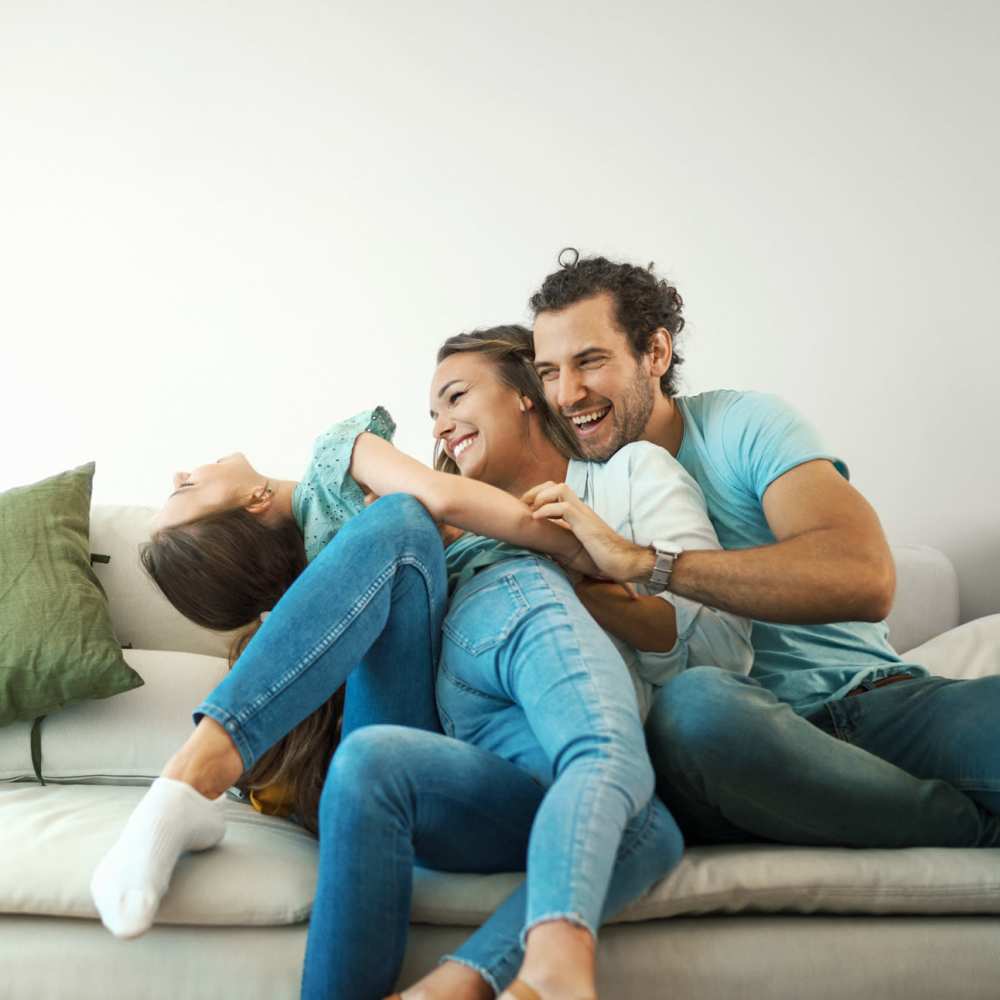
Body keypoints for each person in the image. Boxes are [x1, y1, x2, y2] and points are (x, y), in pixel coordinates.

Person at [90, 325, 749, 1000]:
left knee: (649, 826)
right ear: (255, 503)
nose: (179, 473)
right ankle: (191, 773)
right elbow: (441, 498)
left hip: (448, 757)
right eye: (185, 492)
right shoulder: (347, 482)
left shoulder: (353, 534)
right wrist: (576, 547)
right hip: (429, 710)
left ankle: (453, 987)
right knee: (403, 518)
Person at [526, 249, 1000, 851]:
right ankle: (969, 828)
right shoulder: (563, 493)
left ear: (655, 354)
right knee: (696, 709)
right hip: (737, 744)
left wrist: (649, 564)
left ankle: (900, 810)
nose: (567, 393)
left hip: (881, 702)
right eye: (547, 372)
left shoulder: (741, 426)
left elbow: (865, 577)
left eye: (590, 361)